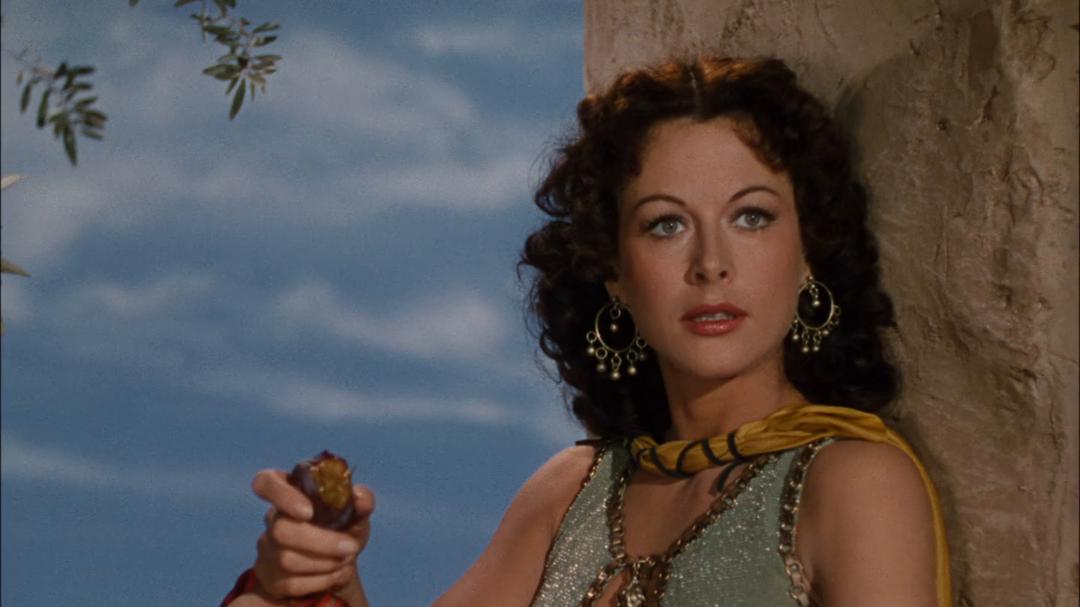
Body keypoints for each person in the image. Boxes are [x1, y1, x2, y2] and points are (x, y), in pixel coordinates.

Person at [223, 56, 951, 607]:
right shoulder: (571, 491)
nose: (711, 264)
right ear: (613, 274)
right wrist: (320, 577)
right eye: (665, 225)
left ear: (807, 253)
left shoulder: (853, 483)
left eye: (751, 216)